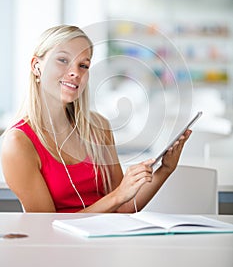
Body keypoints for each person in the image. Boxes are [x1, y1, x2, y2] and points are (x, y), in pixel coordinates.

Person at [1, 25, 191, 213]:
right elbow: (46, 227)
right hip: (59, 244)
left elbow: (123, 207)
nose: (76, 72)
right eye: (63, 60)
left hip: (106, 240)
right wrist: (118, 196)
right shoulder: (17, 143)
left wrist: (165, 169)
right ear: (36, 66)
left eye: (83, 65)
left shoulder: (98, 127)